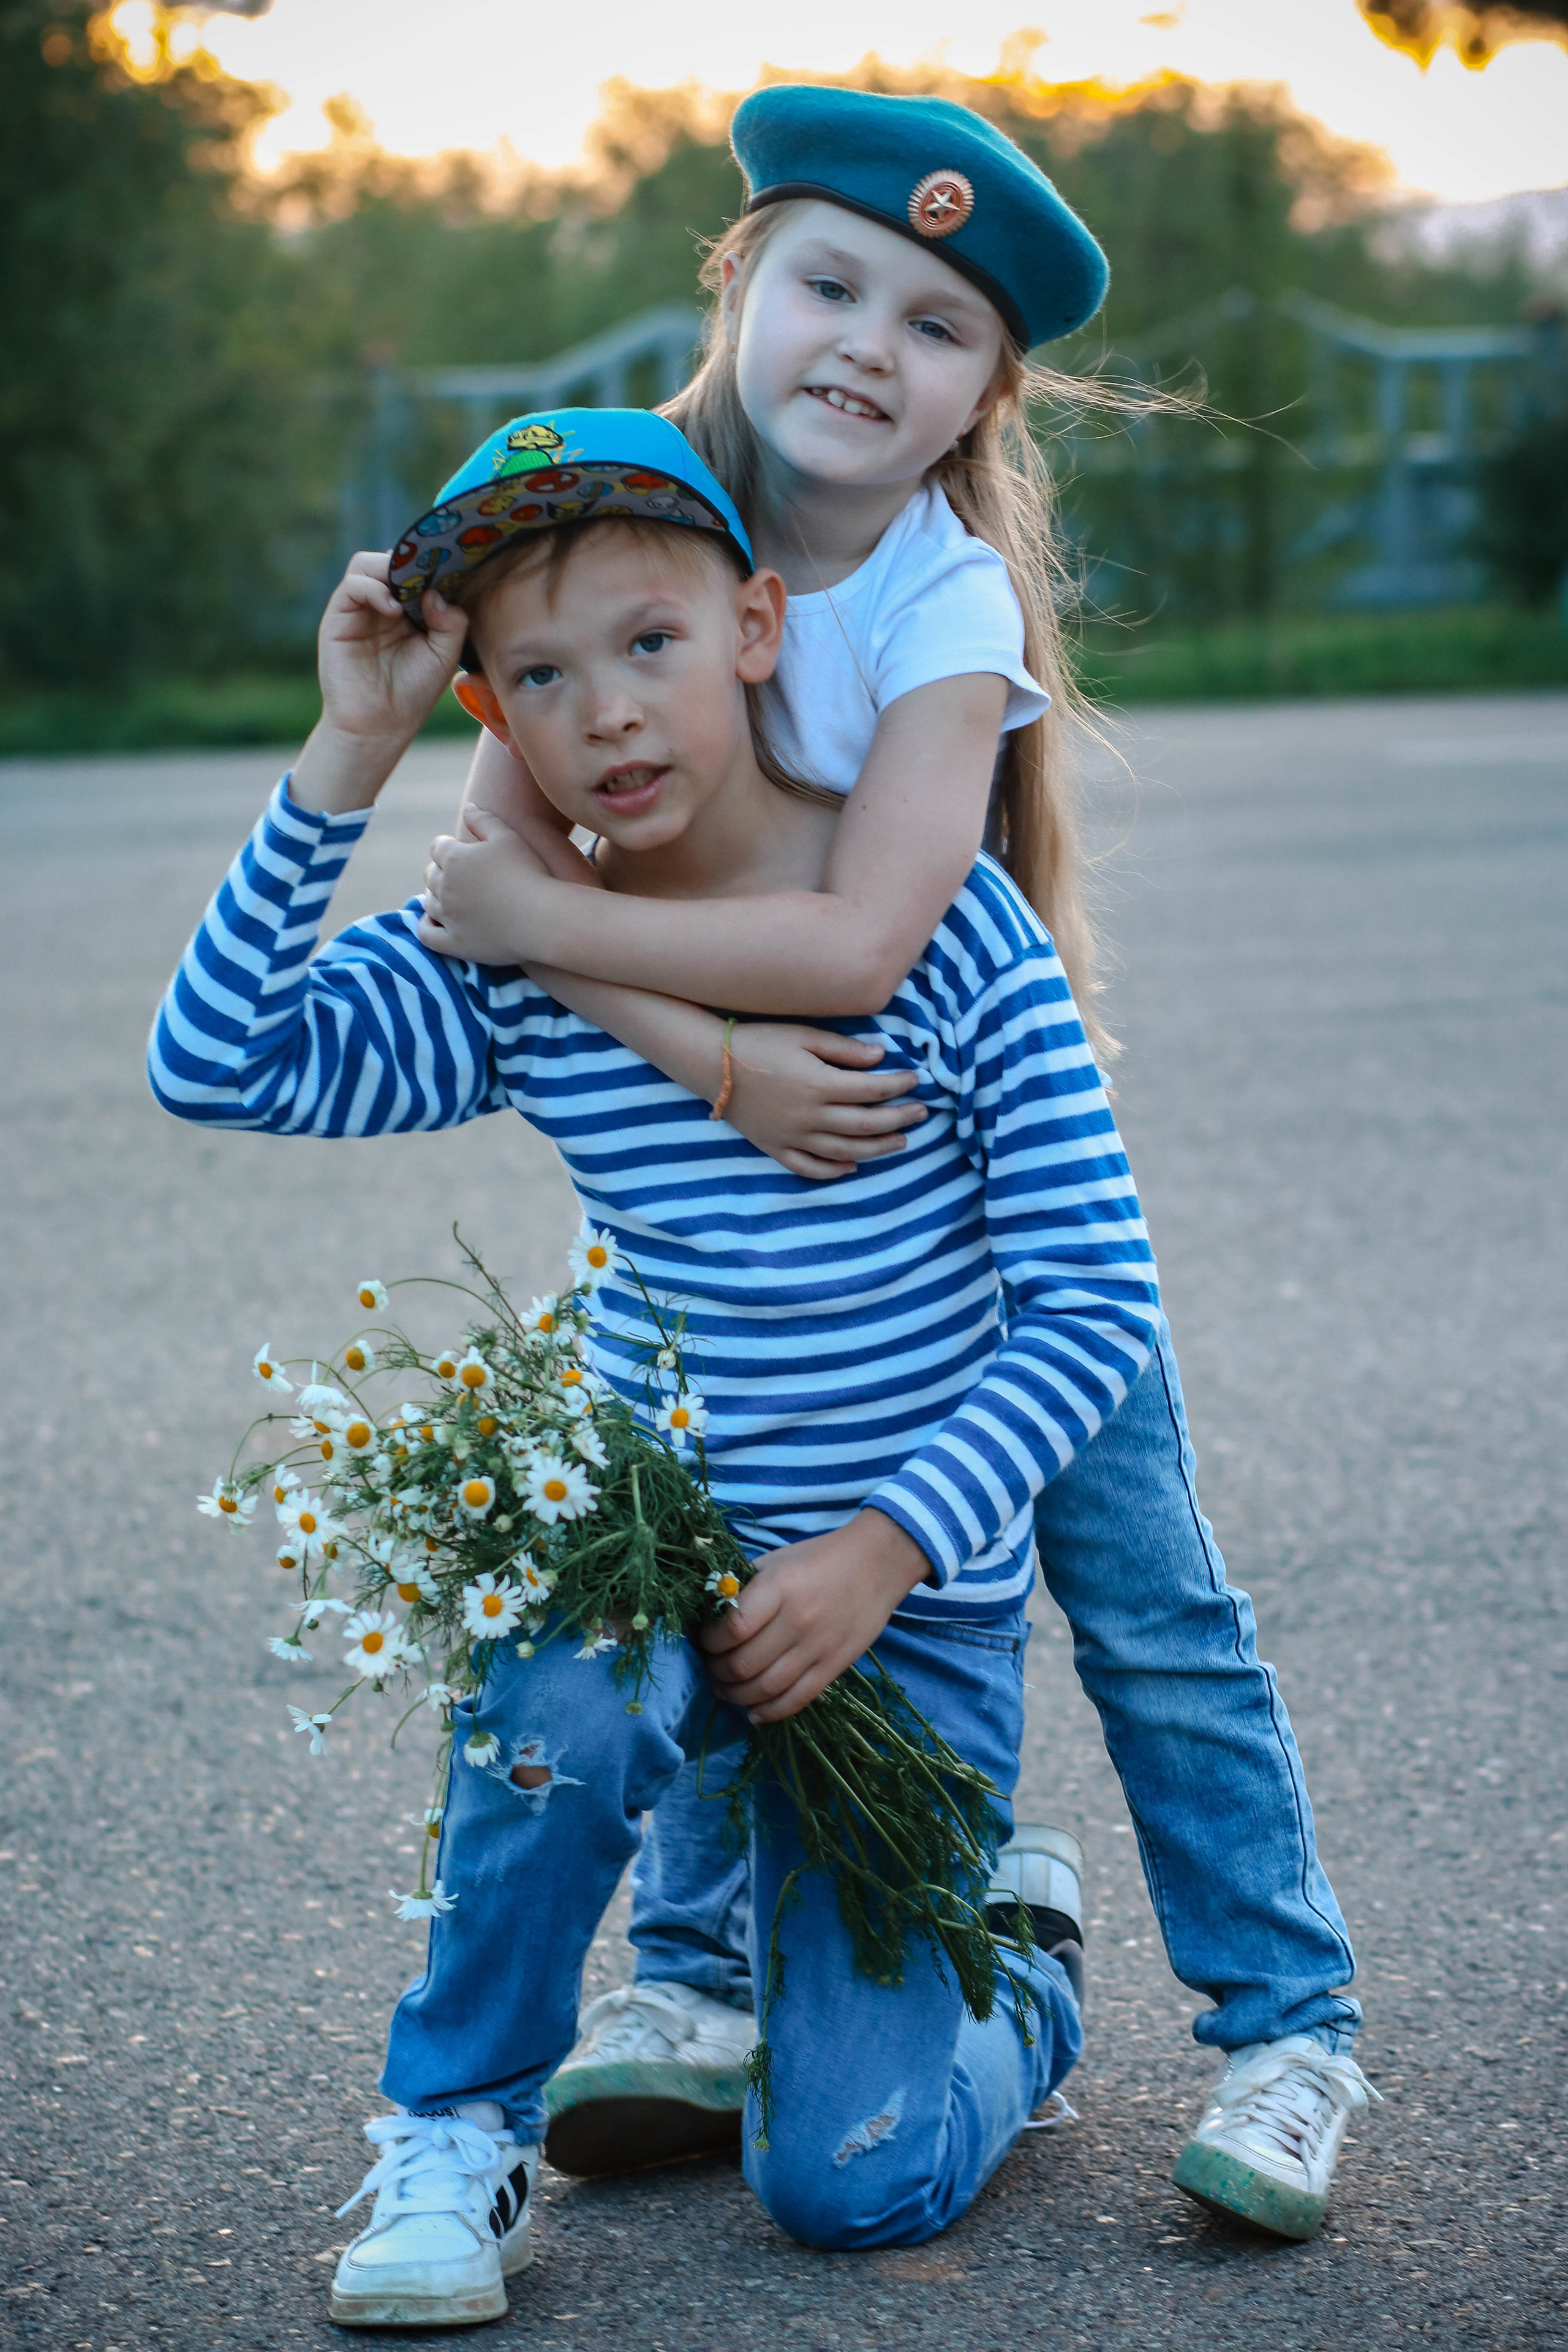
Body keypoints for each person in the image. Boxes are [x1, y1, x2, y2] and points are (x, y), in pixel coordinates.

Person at [409, 84, 1376, 2243]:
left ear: (980, 398)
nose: (869, 345)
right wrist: (712, 1071)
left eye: (936, 326)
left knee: (1148, 1607)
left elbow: (853, 940)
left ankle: (1287, 2024)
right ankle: (696, 1974)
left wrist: (616, 974)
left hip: (975, 1182)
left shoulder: (944, 608)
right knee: (689, 1529)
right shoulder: (621, 515)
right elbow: (491, 826)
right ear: (738, 284)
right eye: (831, 282)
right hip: (728, 1174)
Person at [149, 410, 1163, 2323]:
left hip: (897, 1613)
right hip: (647, 1544)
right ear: (493, 720)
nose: (606, 709)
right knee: (565, 1688)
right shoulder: (519, 970)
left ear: (759, 627)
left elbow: (1096, 1309)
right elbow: (223, 1058)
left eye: (647, 642)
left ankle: (1019, 1963)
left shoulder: (950, 943)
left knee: (852, 2187)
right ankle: (454, 2135)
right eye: (538, 673)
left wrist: (883, 1550)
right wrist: (348, 747)